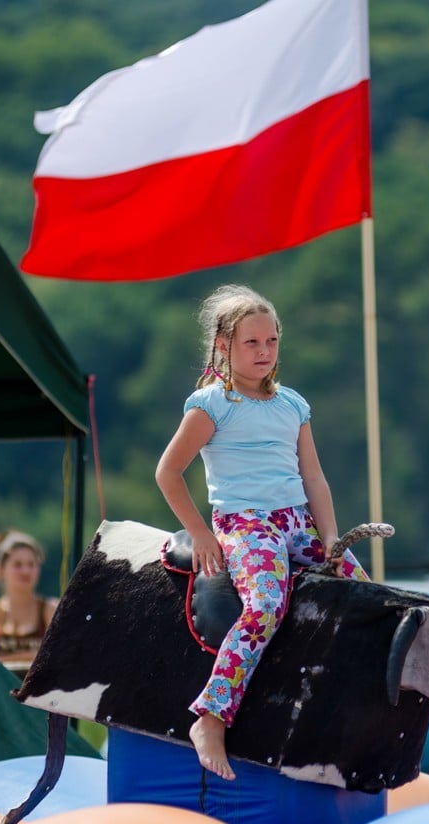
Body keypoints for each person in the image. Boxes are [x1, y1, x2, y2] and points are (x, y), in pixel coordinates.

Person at [156, 284, 369, 781]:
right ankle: (211, 715)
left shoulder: (293, 404)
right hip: (246, 522)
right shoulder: (212, 404)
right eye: (252, 343)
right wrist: (200, 532)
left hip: (297, 519)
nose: (265, 352)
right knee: (266, 605)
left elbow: (313, 477)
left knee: (363, 592)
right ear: (224, 346)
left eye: (272, 341)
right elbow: (168, 472)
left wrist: (332, 540)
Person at [0, 530, 57, 669]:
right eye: (17, 565)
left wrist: (3, 659)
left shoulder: (50, 610)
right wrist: (30, 656)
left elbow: (56, 657)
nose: (26, 571)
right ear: (0, 569)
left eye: (31, 564)